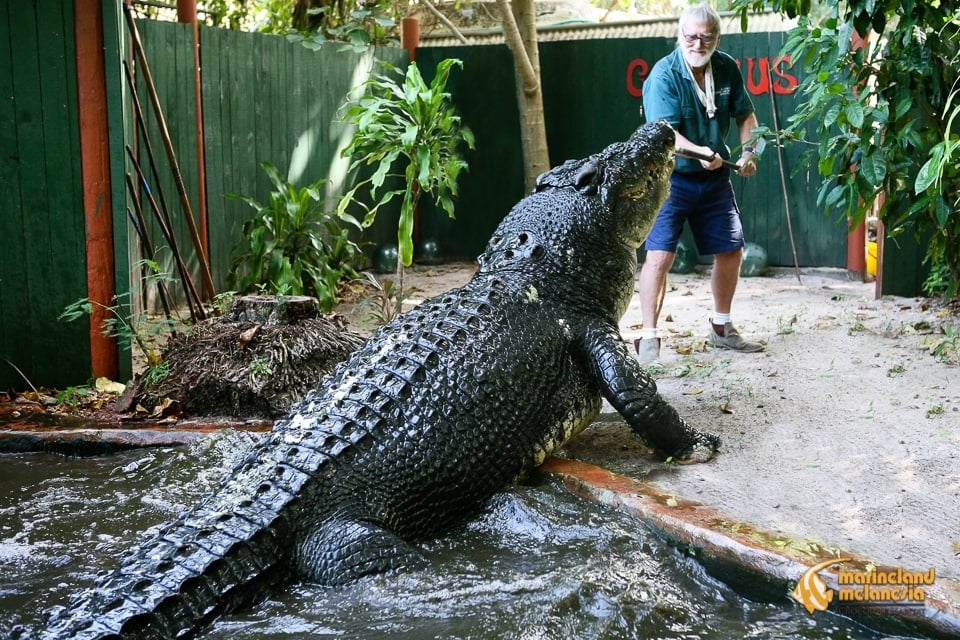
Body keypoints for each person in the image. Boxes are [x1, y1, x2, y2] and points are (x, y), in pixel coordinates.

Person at [635, 3, 764, 365]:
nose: (697, 43)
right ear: (681, 36)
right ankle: (648, 337)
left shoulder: (725, 67)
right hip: (668, 179)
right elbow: (666, 136)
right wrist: (702, 152)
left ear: (716, 38)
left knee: (731, 250)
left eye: (705, 37)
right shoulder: (664, 75)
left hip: (715, 177)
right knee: (659, 256)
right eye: (690, 36)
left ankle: (722, 328)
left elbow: (747, 115)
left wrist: (749, 150)